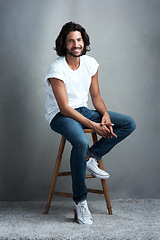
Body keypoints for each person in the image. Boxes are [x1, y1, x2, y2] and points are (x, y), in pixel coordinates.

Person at [44, 21, 136, 225]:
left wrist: (104, 115)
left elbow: (96, 96)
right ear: (63, 44)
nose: (76, 44)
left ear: (84, 42)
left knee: (128, 123)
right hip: (61, 115)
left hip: (83, 110)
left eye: (79, 40)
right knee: (80, 141)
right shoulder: (56, 69)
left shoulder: (90, 63)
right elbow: (64, 108)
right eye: (71, 41)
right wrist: (93, 126)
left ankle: (90, 157)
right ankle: (81, 202)